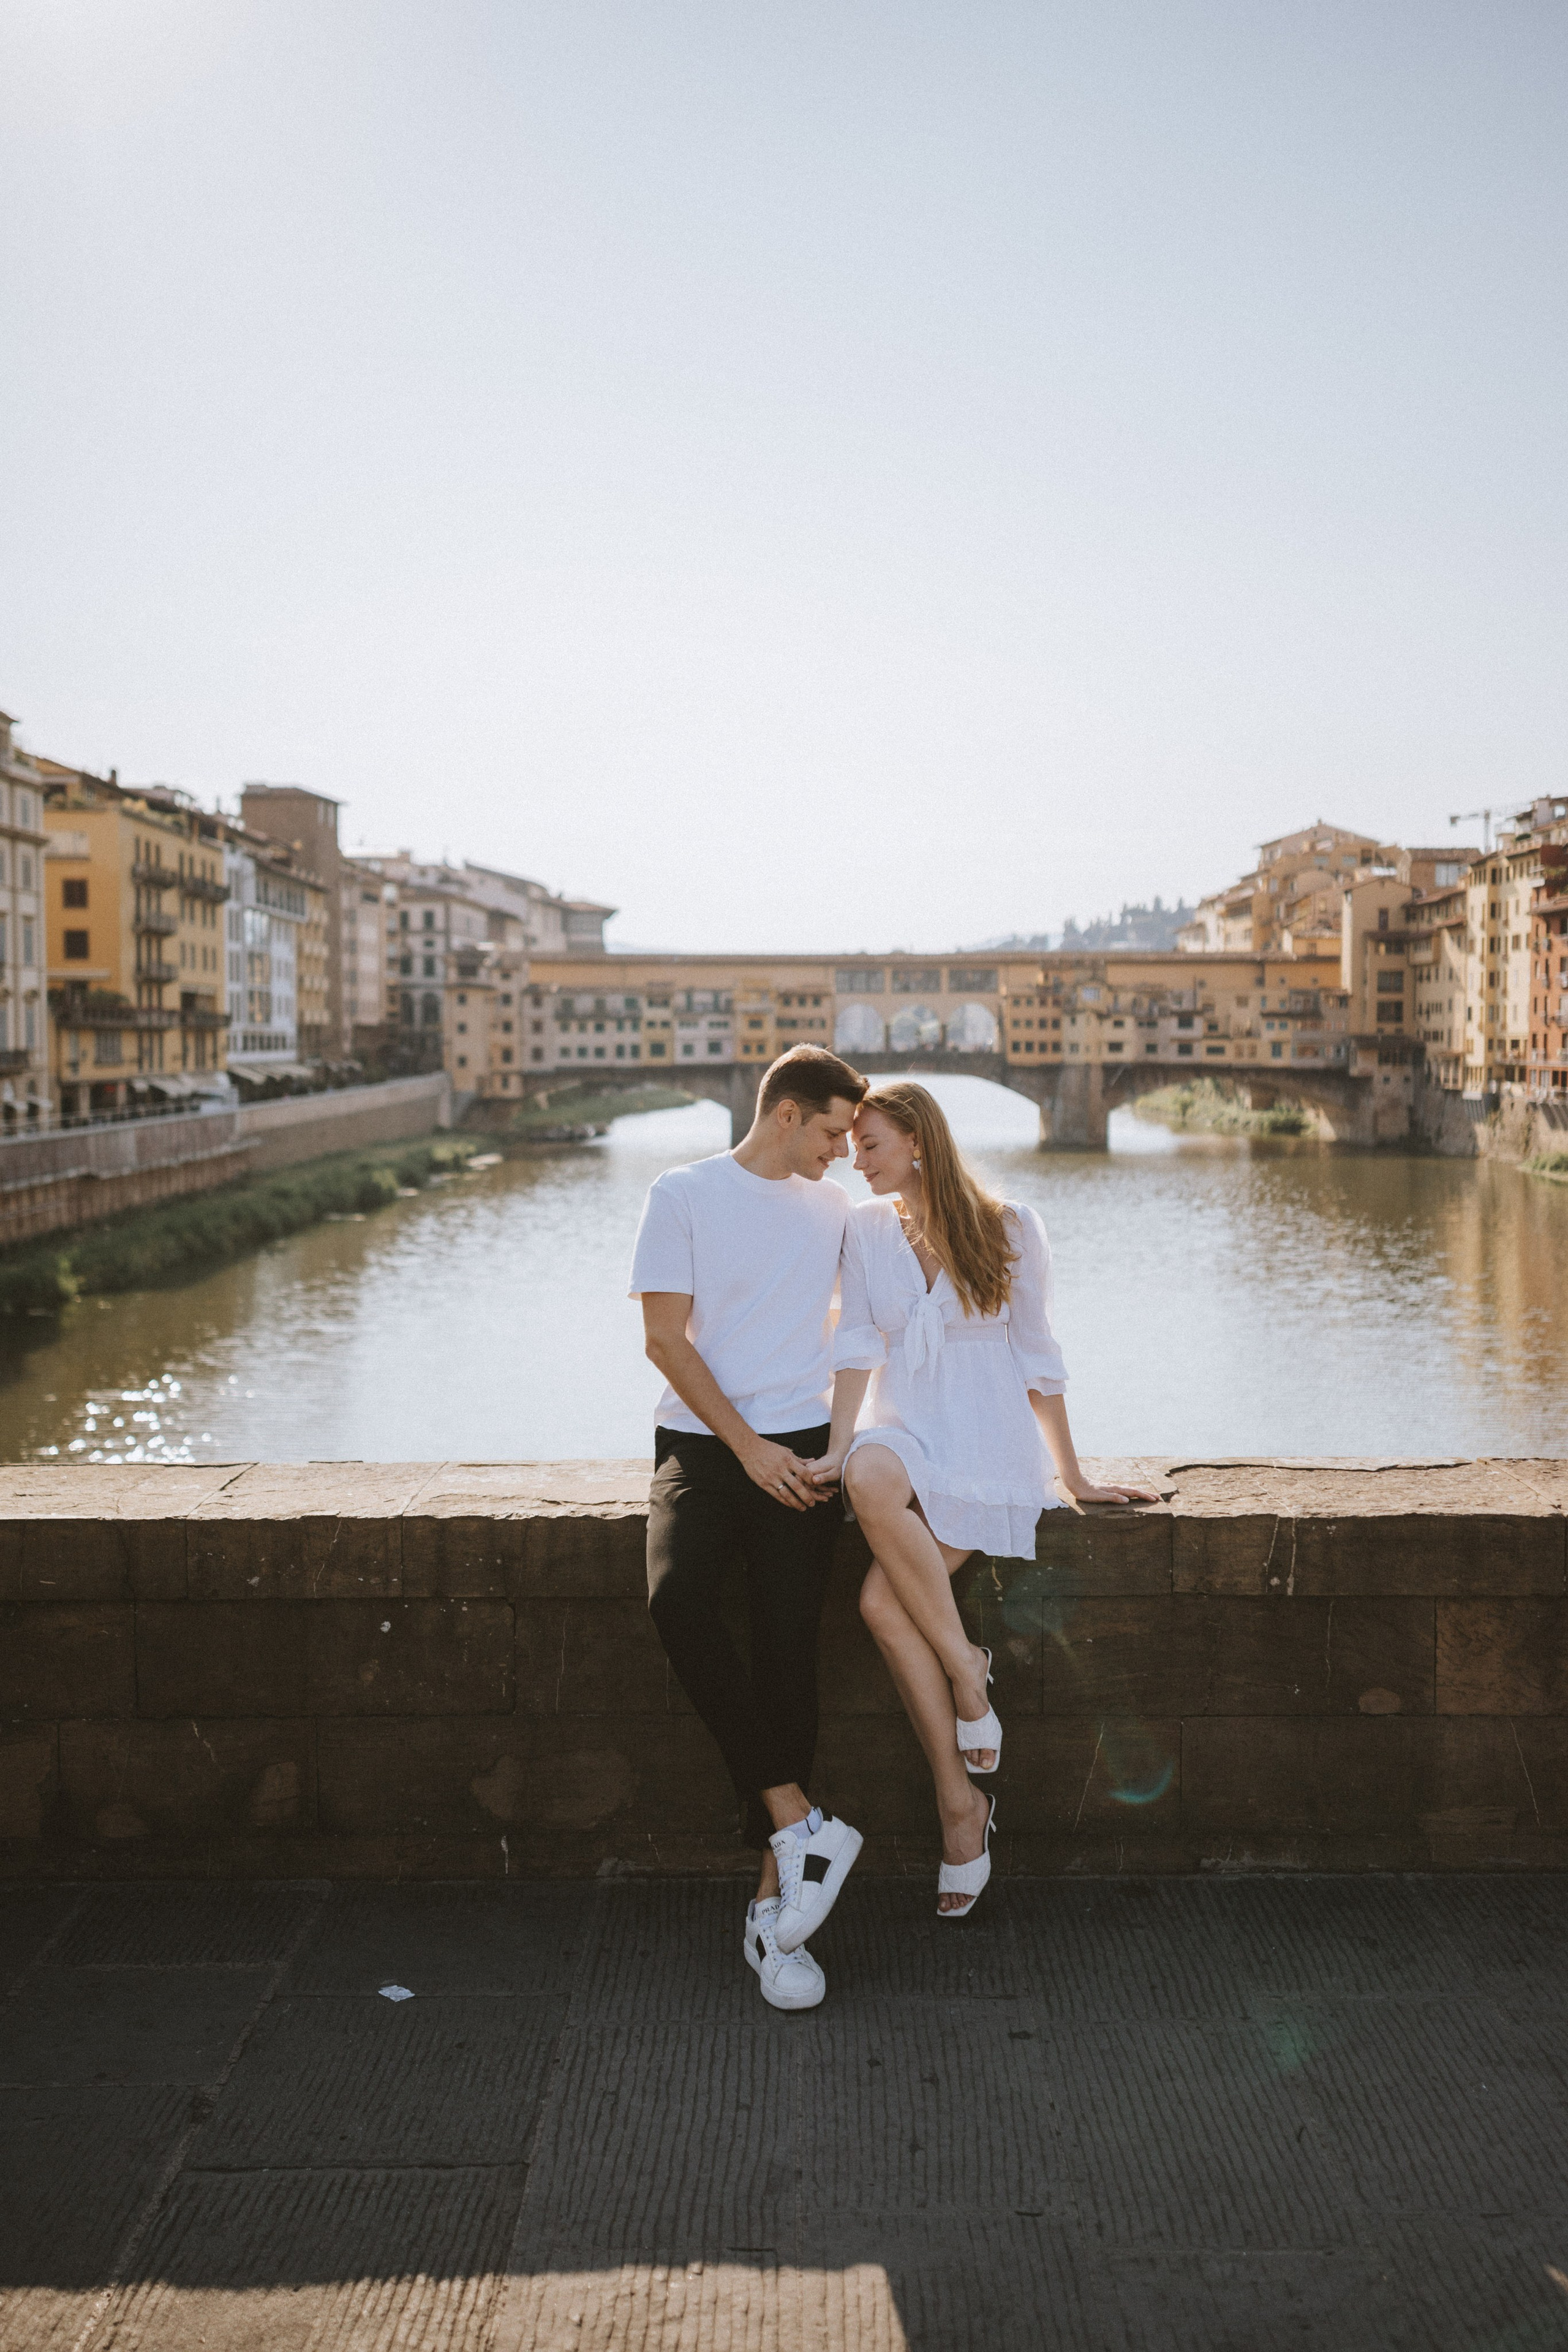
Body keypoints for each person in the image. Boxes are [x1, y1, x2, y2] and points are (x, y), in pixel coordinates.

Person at [810, 1081, 1158, 1919]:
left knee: (880, 1605)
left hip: (986, 1445)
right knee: (866, 1476)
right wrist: (836, 1444)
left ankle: (958, 1805)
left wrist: (1072, 1475)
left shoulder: (1011, 1227)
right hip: (905, 1430)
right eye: (853, 1147)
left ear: (918, 1141)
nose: (857, 1162)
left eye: (871, 1146)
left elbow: (1038, 1355)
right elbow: (855, 1344)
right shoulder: (865, 1228)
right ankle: (969, 1668)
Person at [630, 1044, 870, 2011]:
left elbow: (872, 1324)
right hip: (702, 1441)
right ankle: (799, 1819)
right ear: (786, 1114)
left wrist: (832, 1446)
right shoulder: (682, 1194)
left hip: (804, 1448)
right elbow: (663, 1338)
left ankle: (777, 1916)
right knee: (677, 1598)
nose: (842, 1152)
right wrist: (747, 1449)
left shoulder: (838, 1209)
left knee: (786, 1654)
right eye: (832, 1133)